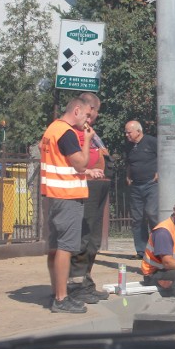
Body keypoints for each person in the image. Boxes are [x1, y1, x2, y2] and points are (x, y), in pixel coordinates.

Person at [40, 96, 104, 313]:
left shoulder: (52, 130)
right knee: (66, 247)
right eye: (87, 114)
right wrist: (87, 140)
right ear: (77, 110)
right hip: (67, 196)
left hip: (56, 194)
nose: (88, 120)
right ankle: (61, 298)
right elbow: (79, 163)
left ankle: (56, 291)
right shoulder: (67, 133)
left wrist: (85, 173)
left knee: (56, 246)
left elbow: (63, 164)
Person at [67, 92, 112, 304]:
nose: (95, 116)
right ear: (89, 109)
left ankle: (86, 282)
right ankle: (75, 286)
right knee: (83, 237)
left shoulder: (90, 132)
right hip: (85, 187)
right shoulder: (72, 132)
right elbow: (75, 161)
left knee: (93, 240)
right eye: (95, 112)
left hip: (98, 186)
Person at [124, 120, 158, 260]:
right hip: (136, 186)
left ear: (138, 131)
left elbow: (164, 156)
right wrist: (128, 176)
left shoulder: (151, 141)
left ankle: (159, 249)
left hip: (152, 184)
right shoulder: (128, 146)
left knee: (152, 213)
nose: (126, 135)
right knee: (137, 219)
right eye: (125, 132)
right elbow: (129, 162)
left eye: (129, 132)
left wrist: (159, 171)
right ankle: (142, 251)